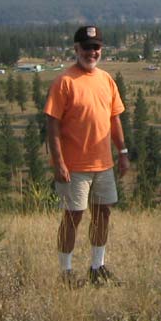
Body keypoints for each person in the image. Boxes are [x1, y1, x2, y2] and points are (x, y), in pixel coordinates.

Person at [44, 25, 129, 287]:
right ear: (76, 49)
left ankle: (97, 267)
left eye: (96, 47)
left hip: (103, 163)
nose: (92, 52)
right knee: (73, 216)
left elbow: (114, 119)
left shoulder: (106, 80)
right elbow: (52, 125)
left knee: (103, 214)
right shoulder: (64, 81)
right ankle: (66, 271)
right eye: (86, 47)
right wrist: (59, 162)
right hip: (74, 166)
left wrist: (123, 152)